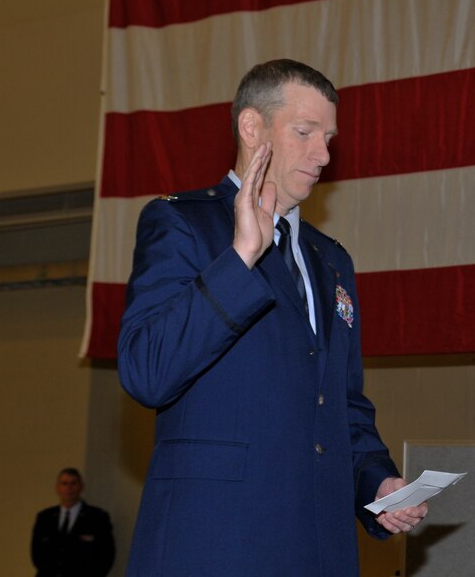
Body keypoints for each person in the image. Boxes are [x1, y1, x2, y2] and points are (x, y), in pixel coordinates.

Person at [117, 59, 426, 576]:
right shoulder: (182, 224)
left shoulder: (332, 260)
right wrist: (240, 258)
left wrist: (377, 483)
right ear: (251, 126)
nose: (324, 154)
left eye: (328, 137)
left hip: (317, 550)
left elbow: (341, 405)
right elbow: (146, 370)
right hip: (216, 546)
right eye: (304, 132)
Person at [30, 467, 115, 577]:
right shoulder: (45, 518)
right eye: (64, 483)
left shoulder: (97, 518)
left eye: (73, 483)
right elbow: (36, 554)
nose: (69, 488)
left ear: (81, 487)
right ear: (58, 488)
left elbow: (106, 556)